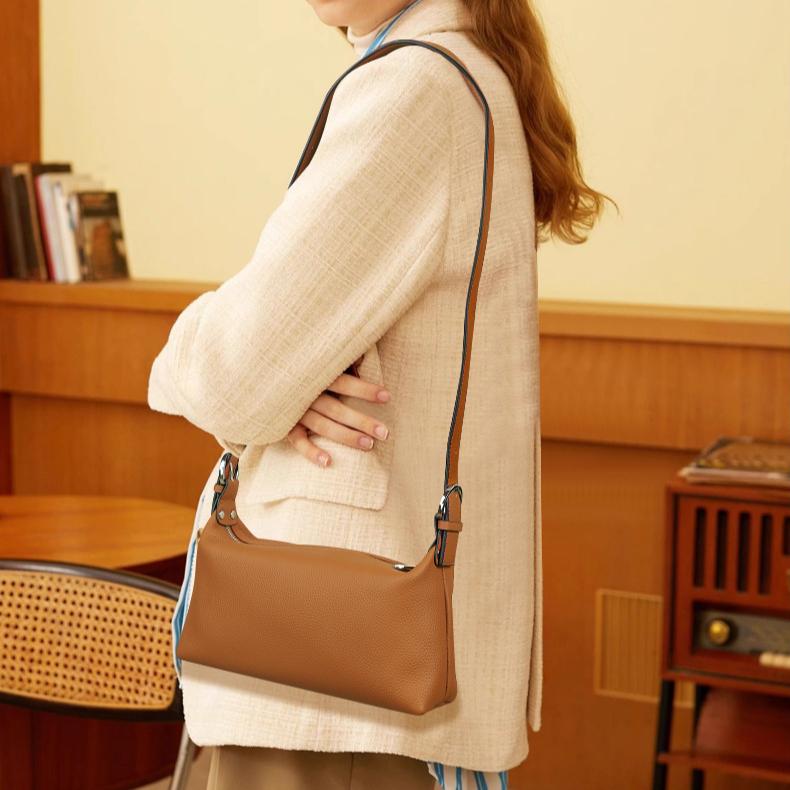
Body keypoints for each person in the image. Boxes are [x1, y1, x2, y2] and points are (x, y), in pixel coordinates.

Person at [147, 0, 613, 787]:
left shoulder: (413, 90)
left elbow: (236, 376)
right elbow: (265, 371)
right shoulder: (457, 73)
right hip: (356, 669)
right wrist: (287, 382)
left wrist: (222, 364)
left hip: (327, 691)